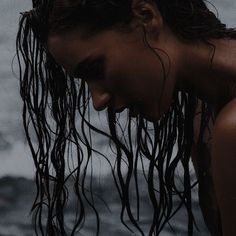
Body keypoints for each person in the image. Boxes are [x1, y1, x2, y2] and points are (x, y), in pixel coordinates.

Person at [16, 0, 236, 235]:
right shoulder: (203, 113)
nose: (98, 101)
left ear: (146, 16)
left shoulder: (229, 127)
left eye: (95, 69)